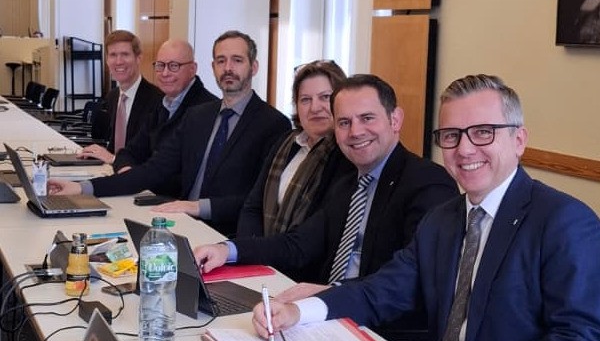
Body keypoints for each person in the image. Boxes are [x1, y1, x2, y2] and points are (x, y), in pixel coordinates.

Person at [252, 74, 600, 341]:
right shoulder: (443, 219)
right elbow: (382, 290)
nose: (465, 149)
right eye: (451, 136)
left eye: (483, 132)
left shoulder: (564, 221)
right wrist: (298, 312)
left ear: (519, 140)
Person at [195, 74, 458, 285]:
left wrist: (329, 296)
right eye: (344, 122)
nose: (355, 132)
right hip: (328, 312)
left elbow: (407, 280)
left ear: (395, 119)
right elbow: (298, 245)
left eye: (367, 118)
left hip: (380, 327)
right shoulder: (348, 185)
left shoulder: (427, 183)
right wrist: (227, 250)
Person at [48, 30, 291, 237]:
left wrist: (198, 207)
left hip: (225, 233)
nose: (228, 68)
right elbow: (154, 169)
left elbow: (260, 200)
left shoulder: (273, 124)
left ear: (254, 67)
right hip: (179, 223)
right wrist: (83, 188)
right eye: (221, 61)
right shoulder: (199, 116)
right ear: (213, 67)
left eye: (237, 60)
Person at [236, 59, 353, 238]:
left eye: (325, 97)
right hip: (261, 250)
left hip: (300, 253)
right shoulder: (285, 142)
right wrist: (248, 249)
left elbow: (315, 234)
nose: (315, 107)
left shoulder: (347, 156)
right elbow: (253, 206)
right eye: (305, 100)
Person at [111, 38, 217, 194]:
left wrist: (136, 180)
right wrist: (128, 173)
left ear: (192, 69)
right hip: (148, 195)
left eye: (174, 66)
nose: (165, 73)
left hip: (180, 204)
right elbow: (128, 152)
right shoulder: (161, 105)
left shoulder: (207, 110)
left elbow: (183, 176)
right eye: (160, 65)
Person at [78, 30, 162, 163]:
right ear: (107, 60)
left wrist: (113, 159)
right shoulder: (112, 97)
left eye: (125, 54)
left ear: (138, 58)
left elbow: (154, 159)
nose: (118, 61)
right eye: (113, 55)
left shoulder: (157, 101)